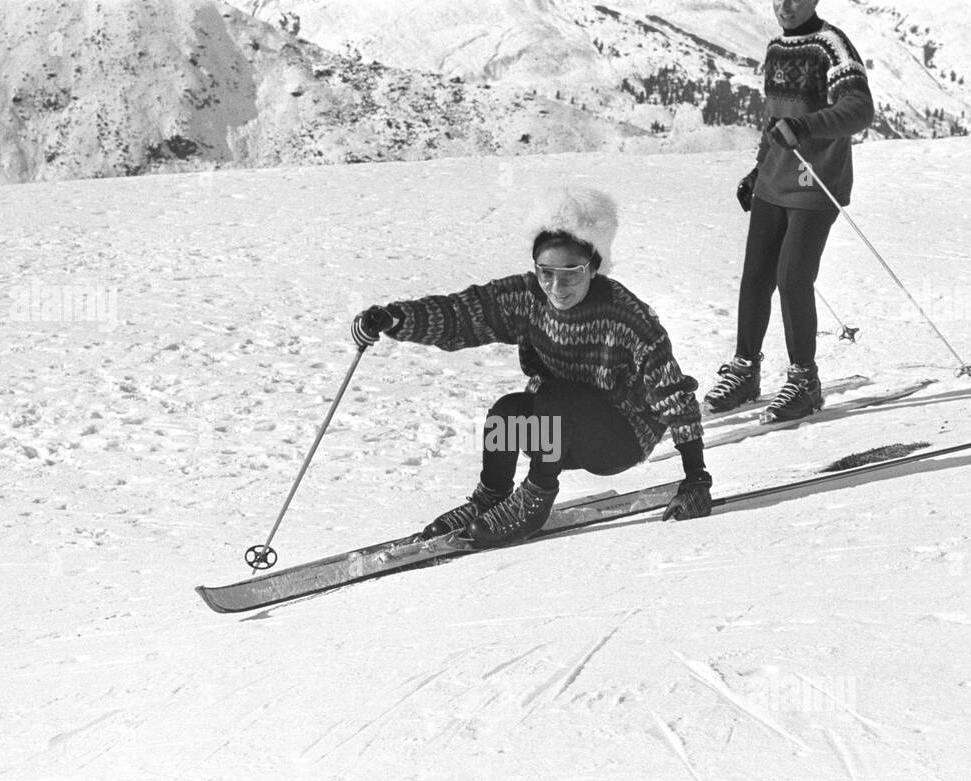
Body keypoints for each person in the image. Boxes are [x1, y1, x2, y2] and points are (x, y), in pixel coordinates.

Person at [350, 187, 711, 549]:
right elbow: (462, 314)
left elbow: (673, 395)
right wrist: (395, 318)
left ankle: (535, 498)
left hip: (620, 437)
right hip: (560, 432)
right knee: (506, 414)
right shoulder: (528, 297)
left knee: (552, 396)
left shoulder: (627, 316)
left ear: (594, 267)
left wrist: (696, 477)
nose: (557, 286)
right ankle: (490, 497)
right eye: (546, 272)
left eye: (571, 273)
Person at [706, 0, 875, 420]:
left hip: (816, 183)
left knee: (793, 277)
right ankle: (745, 369)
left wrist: (805, 127)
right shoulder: (777, 47)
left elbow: (859, 109)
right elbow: (774, 119)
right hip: (773, 182)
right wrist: (758, 170)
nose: (784, 6)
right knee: (757, 277)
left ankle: (804, 381)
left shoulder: (831, 46)